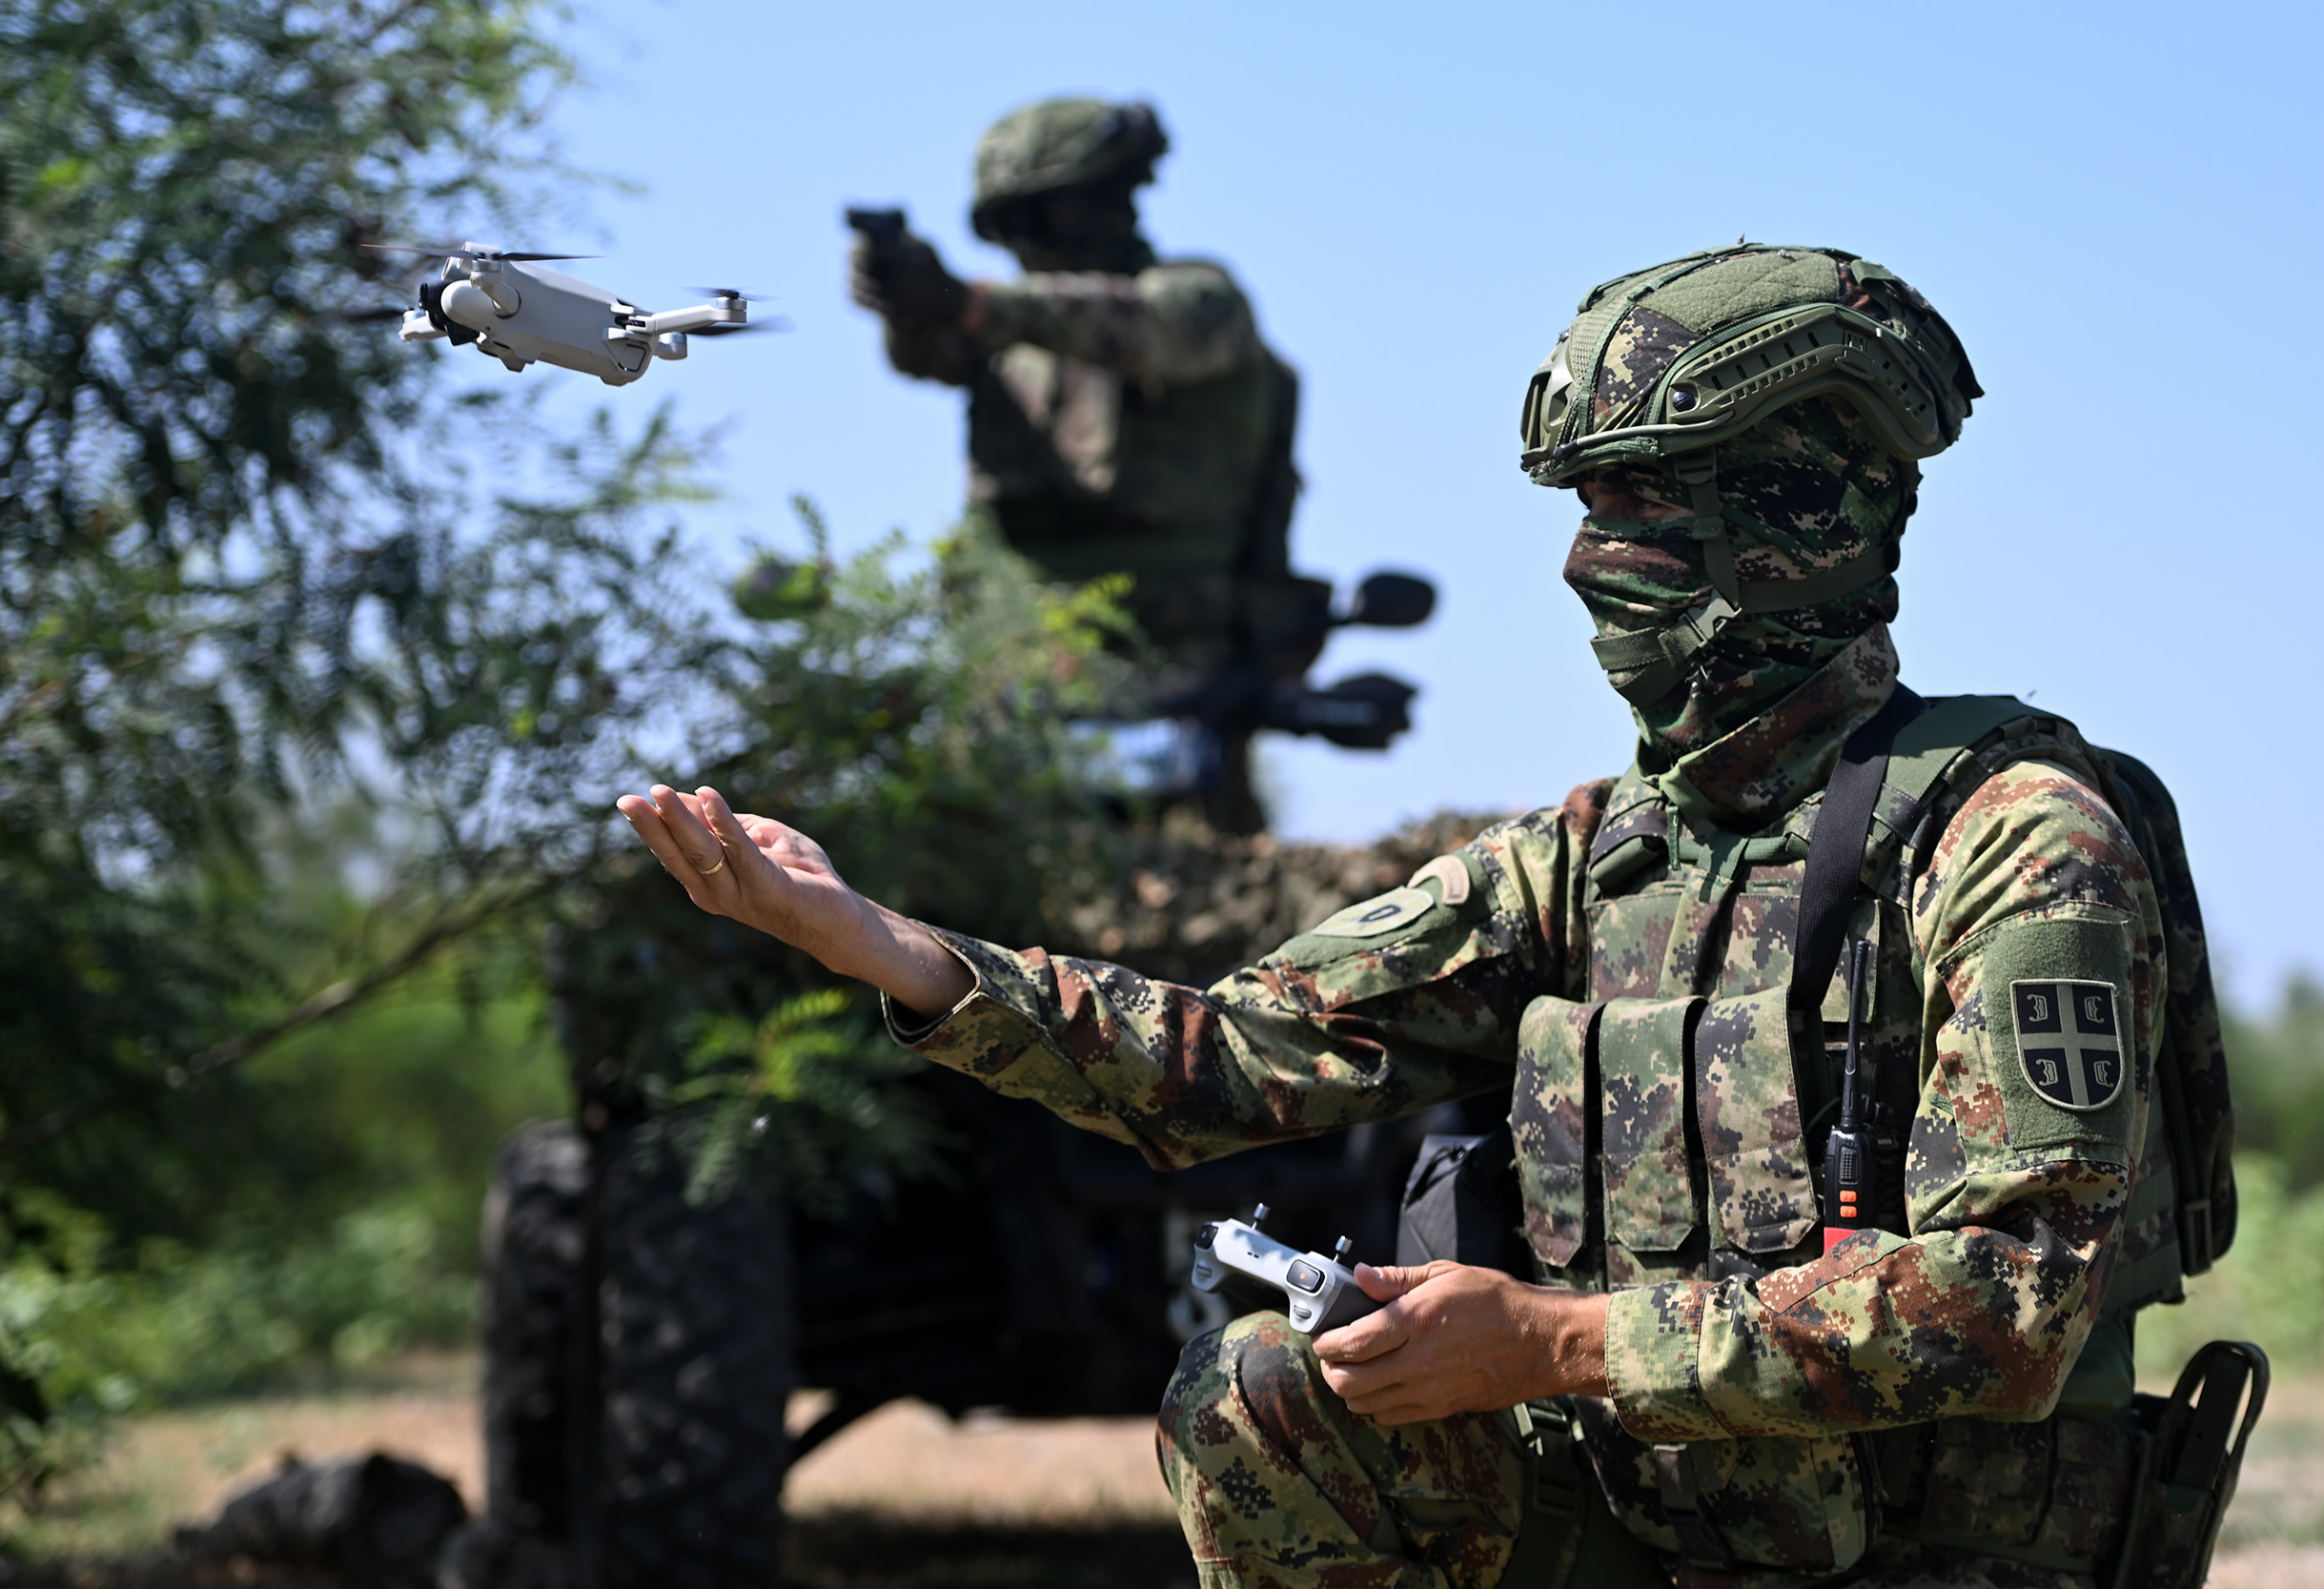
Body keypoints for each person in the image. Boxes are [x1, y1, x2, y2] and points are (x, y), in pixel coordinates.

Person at [624, 245, 2212, 1587]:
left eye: (1643, 512)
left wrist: (1556, 1343)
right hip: (1667, 1524)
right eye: (1585, 514)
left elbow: (2008, 1307)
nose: (1594, 567)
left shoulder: (2014, 840)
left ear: (1796, 523)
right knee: (1259, 1389)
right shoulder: (1599, 857)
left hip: (1939, 1561)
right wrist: (891, 949)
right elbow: (1243, 1049)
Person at [850, 95, 1311, 829]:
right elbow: (926, 354)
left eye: (1048, 216)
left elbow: (1134, 323)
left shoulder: (1201, 301)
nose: (1030, 243)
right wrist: (908, 300)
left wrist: (964, 301)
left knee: (1191, 893)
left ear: (1112, 200)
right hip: (1015, 664)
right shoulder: (1004, 331)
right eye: (1008, 224)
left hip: (1182, 666)